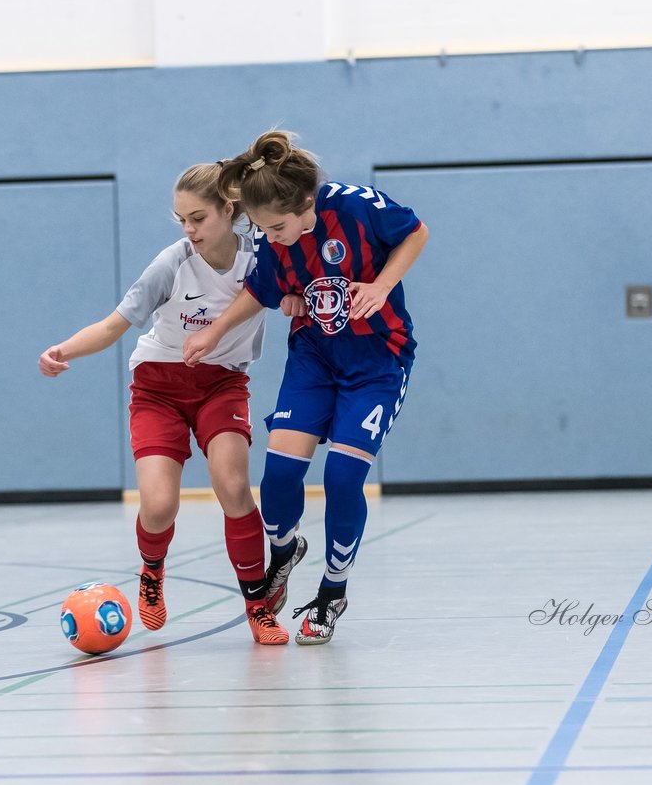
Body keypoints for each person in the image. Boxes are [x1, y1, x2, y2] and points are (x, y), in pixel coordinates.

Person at [183, 131, 430, 645]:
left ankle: (332, 591)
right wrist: (214, 330)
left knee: (341, 478)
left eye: (277, 227)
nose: (270, 238)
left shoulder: (358, 208)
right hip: (314, 360)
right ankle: (285, 551)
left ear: (307, 205)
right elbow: (262, 290)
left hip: (377, 361)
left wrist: (382, 286)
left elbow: (416, 232)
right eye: (262, 229)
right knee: (276, 477)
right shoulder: (277, 242)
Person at [38, 163, 297, 645]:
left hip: (222, 384)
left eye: (198, 217)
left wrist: (298, 298)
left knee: (234, 487)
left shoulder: (261, 256)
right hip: (158, 387)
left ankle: (257, 605)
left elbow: (299, 277)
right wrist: (62, 351)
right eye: (181, 219)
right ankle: (152, 572)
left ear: (229, 209)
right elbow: (115, 325)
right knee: (158, 506)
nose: (189, 229)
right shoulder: (171, 264)